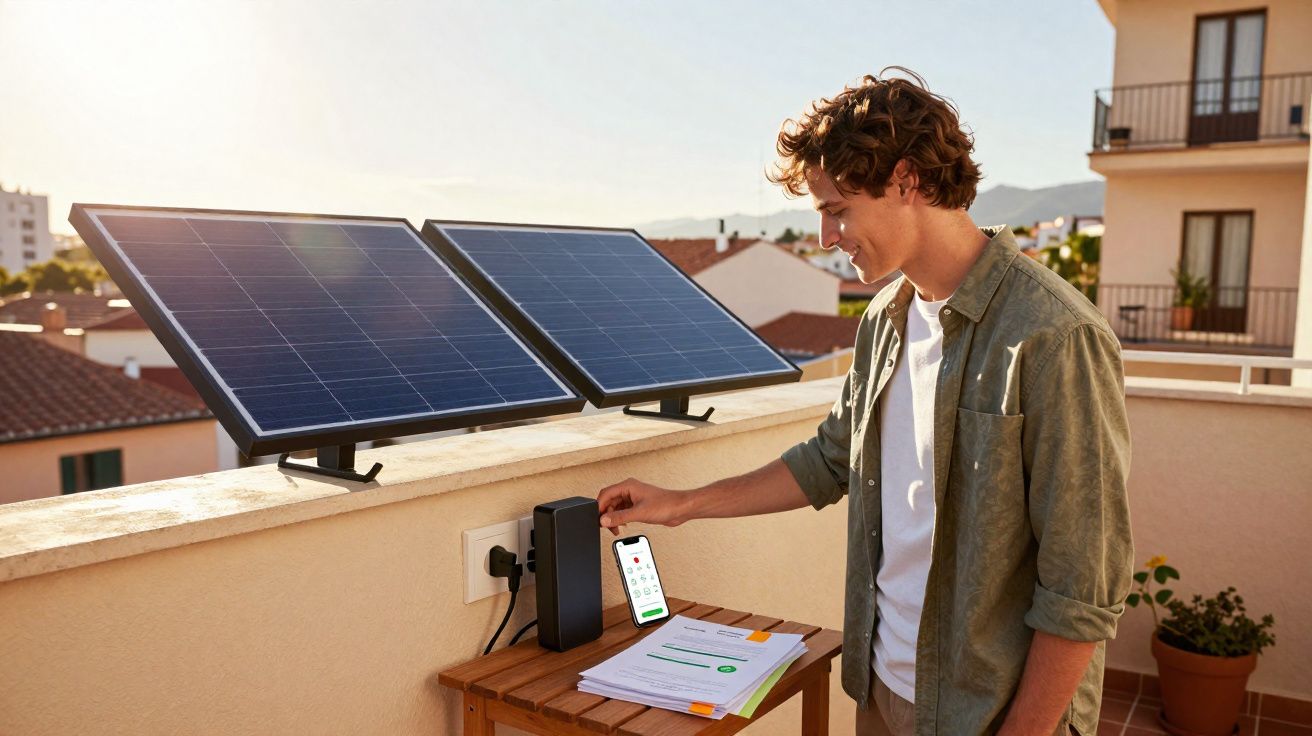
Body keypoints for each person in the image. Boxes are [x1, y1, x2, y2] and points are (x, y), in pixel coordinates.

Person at [595, 68, 1133, 736]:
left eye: (838, 209)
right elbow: (830, 460)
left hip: (990, 714)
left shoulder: (1054, 335)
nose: (826, 237)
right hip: (881, 688)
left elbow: (1083, 587)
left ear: (907, 181)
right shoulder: (884, 319)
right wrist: (681, 504)